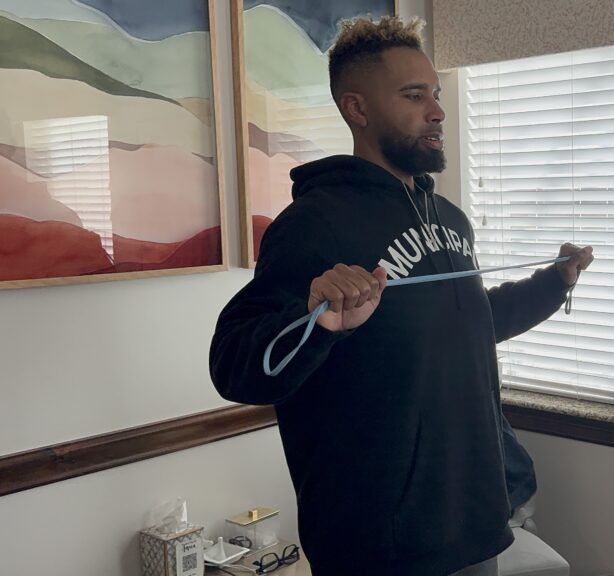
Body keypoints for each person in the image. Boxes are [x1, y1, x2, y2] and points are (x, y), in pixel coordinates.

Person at [209, 15, 593, 576]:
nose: (437, 111)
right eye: (414, 96)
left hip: (473, 524)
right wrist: (318, 323)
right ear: (357, 109)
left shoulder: (452, 221)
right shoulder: (314, 225)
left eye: (435, 94)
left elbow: (470, 322)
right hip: (380, 546)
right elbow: (236, 365)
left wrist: (551, 284)